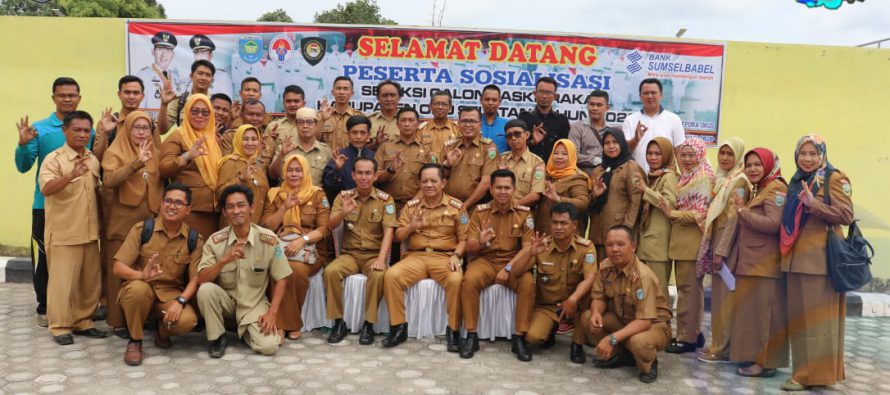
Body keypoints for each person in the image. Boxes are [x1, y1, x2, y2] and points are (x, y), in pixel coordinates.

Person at [15, 77, 93, 327]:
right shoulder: (40, 128)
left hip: (79, 207)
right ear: (54, 98)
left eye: (72, 95)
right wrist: (23, 145)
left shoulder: (86, 128)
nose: (68, 99)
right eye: (62, 95)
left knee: (78, 260)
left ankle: (75, 309)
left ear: (79, 98)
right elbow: (23, 166)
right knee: (47, 259)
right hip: (46, 205)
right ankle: (45, 307)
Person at [778, 135, 853, 391]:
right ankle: (804, 371)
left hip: (820, 261)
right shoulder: (797, 180)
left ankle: (812, 375)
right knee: (800, 321)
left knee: (819, 322)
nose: (807, 158)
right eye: (803, 153)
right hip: (796, 259)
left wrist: (814, 205)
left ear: (822, 154)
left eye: (813, 153)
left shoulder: (834, 178)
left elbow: (846, 215)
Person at [715, 148, 789, 378]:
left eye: (758, 164)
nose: (753, 169)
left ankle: (764, 363)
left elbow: (772, 224)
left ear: (768, 165)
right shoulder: (763, 188)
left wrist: (742, 210)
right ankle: (754, 357)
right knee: (754, 315)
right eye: (749, 165)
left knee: (765, 317)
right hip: (754, 263)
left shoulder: (776, 189)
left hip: (764, 264)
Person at [196, 185, 292, 357]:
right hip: (227, 302)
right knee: (206, 290)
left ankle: (248, 331)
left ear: (252, 208)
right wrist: (225, 260)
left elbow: (282, 278)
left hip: (253, 305)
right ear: (224, 212)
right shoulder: (215, 241)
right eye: (230, 207)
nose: (236, 211)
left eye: (241, 205)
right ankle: (218, 337)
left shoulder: (268, 239)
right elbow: (202, 279)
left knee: (268, 347)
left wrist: (272, 314)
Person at [113, 183, 203, 365]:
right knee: (137, 290)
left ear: (188, 209)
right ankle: (135, 341)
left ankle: (161, 331)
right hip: (140, 289)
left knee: (188, 321)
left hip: (169, 296)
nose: (172, 206)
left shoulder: (193, 239)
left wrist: (181, 302)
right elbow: (118, 267)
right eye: (168, 201)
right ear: (161, 204)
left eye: (179, 203)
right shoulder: (143, 230)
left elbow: (195, 279)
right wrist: (141, 276)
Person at [38, 111, 107, 345]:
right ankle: (60, 326)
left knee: (89, 281)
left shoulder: (92, 159)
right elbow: (46, 189)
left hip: (89, 231)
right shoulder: (54, 159)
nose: (82, 134)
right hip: (64, 232)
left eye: (86, 130)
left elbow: (96, 194)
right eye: (76, 130)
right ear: (65, 131)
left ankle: (84, 322)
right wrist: (70, 175)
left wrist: (101, 223)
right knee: (62, 283)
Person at [382, 164, 466, 350]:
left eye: (433, 181)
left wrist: (456, 255)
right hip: (416, 257)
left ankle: (453, 331)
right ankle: (398, 327)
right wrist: (411, 226)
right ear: (419, 183)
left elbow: (464, 239)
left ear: (443, 183)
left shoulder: (456, 206)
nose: (428, 185)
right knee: (391, 276)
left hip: (445, 257)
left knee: (456, 279)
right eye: (424, 181)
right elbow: (398, 237)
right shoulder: (411, 207)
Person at [459, 169, 536, 360]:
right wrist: (482, 241)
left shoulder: (524, 214)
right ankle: (471, 334)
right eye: (499, 187)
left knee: (528, 284)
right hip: (486, 260)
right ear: (491, 190)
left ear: (514, 190)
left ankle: (519, 337)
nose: (503, 192)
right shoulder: (480, 212)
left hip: (514, 261)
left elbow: (527, 249)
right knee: (469, 280)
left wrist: (508, 268)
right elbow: (469, 246)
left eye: (507, 188)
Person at [100, 111, 163, 338]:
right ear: (127, 129)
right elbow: (108, 180)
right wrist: (135, 164)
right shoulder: (116, 151)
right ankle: (118, 322)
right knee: (119, 269)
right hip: (122, 221)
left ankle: (141, 317)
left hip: (148, 221)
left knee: (143, 268)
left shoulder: (155, 151)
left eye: (145, 128)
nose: (141, 132)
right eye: (136, 127)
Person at [583, 225, 673, 383]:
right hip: (624, 319)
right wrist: (596, 312)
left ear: (633, 246)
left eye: (620, 244)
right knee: (588, 317)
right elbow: (599, 297)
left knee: (637, 341)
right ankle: (621, 355)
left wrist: (612, 338)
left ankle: (649, 362)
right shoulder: (605, 266)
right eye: (610, 245)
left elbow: (645, 321)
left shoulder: (643, 276)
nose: (614, 249)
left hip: (653, 325)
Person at [512, 203, 597, 363]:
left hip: (575, 304)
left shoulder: (586, 247)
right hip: (548, 306)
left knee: (591, 293)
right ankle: (549, 330)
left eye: (563, 223)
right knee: (532, 337)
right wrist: (528, 254)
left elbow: (590, 278)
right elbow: (515, 273)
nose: (558, 227)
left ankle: (577, 344)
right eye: (554, 222)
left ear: (574, 225)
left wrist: (572, 300)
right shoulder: (541, 245)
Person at [324, 157, 396, 345]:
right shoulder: (343, 197)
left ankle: (369, 324)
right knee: (330, 272)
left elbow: (389, 231)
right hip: (350, 255)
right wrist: (343, 212)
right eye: (360, 173)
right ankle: (338, 322)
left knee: (379, 274)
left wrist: (381, 259)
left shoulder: (385, 200)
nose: (364, 177)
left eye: (368, 173)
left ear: (375, 176)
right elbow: (331, 225)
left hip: (373, 255)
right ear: (353, 175)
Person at [261, 154, 331, 341]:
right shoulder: (274, 194)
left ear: (305, 172)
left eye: (298, 170)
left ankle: (282, 324)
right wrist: (284, 207)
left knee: (296, 270)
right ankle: (289, 324)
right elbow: (268, 226)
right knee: (279, 269)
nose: (294, 174)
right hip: (280, 246)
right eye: (290, 170)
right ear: (284, 172)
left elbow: (324, 228)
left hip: (310, 250)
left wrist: (302, 240)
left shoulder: (317, 194)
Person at [696, 137, 749, 363]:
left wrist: (720, 252)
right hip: (718, 242)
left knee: (725, 300)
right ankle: (718, 344)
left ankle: (722, 348)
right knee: (719, 299)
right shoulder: (723, 179)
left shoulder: (739, 181)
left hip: (727, 247)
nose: (725, 158)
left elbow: (733, 220)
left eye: (730, 154)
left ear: (738, 156)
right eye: (722, 153)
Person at [662, 138, 715, 354]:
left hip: (692, 243)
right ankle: (695, 333)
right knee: (691, 291)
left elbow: (699, 214)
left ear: (700, 154)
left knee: (688, 292)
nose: (686, 159)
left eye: (691, 154)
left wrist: (671, 213)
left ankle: (687, 339)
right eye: (683, 154)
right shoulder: (687, 176)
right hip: (683, 242)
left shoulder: (702, 178)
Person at [159, 94, 223, 239]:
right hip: (190, 209)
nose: (200, 116)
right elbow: (164, 169)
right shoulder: (177, 136)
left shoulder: (213, 138)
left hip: (215, 208)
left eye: (205, 112)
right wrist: (187, 156)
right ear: (187, 112)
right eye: (194, 111)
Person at [634, 137, 678, 305]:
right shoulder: (652, 177)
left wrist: (646, 190)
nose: (652, 157)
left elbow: (669, 204)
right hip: (645, 242)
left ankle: (663, 326)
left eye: (658, 154)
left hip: (658, 245)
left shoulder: (668, 177)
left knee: (658, 290)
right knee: (644, 288)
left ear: (666, 155)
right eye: (649, 153)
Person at [588, 129, 645, 260]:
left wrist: (625, 232)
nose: (611, 146)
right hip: (598, 232)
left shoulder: (631, 167)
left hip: (620, 232)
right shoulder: (599, 170)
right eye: (607, 143)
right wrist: (595, 195)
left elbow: (636, 203)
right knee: (600, 273)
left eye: (615, 142)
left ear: (622, 144)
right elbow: (590, 204)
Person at [375, 108, 435, 211]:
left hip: (417, 205)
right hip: (387, 204)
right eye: (403, 120)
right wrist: (391, 170)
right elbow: (375, 178)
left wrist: (412, 204)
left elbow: (430, 182)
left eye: (411, 120)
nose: (407, 124)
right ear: (397, 124)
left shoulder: (426, 150)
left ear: (417, 124)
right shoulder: (385, 147)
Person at [622, 78, 686, 173]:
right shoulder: (630, 120)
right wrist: (636, 139)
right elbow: (624, 152)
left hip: (664, 178)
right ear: (640, 96)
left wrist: (684, 180)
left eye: (653, 92)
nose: (650, 96)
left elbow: (679, 152)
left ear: (661, 95)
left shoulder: (674, 119)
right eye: (646, 93)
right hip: (636, 177)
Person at [478, 119, 545, 207]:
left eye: (517, 134)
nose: (513, 138)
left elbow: (535, 195)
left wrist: (511, 207)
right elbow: (489, 186)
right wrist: (498, 173)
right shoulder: (500, 159)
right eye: (509, 135)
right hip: (498, 211)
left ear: (527, 135)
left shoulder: (537, 162)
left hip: (523, 213)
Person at [443, 107, 498, 209]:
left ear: (480, 125)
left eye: (472, 121)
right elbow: (440, 178)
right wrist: (447, 165)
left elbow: (486, 183)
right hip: (448, 205)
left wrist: (465, 205)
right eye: (464, 121)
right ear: (458, 124)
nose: (468, 125)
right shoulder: (450, 146)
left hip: (474, 207)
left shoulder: (489, 148)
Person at [217, 125, 270, 226]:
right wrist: (240, 179)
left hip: (255, 225)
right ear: (237, 140)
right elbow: (220, 193)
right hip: (234, 225)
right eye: (245, 139)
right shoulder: (230, 163)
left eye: (254, 139)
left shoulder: (257, 164)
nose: (250, 143)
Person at [91, 75, 152, 160]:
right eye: (127, 92)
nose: (131, 96)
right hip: (113, 172)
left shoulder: (150, 123)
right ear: (119, 94)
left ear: (142, 96)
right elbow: (97, 158)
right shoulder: (106, 123)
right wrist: (105, 133)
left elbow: (157, 155)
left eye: (136, 93)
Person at [537, 139, 590, 236]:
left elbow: (583, 203)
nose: (559, 157)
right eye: (556, 153)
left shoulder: (577, 178)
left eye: (565, 154)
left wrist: (558, 199)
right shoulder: (547, 175)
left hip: (567, 238)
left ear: (572, 156)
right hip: (544, 235)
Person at [271, 107, 332, 186]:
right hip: (288, 197)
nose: (305, 126)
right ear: (296, 125)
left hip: (315, 197)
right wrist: (282, 155)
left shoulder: (325, 150)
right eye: (301, 122)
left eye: (309, 122)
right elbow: (274, 175)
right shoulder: (285, 147)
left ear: (316, 125)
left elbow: (330, 181)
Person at [322, 115, 376, 202]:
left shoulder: (375, 156)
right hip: (343, 205)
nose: (358, 137)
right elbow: (328, 185)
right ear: (347, 134)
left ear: (369, 135)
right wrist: (337, 169)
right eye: (354, 132)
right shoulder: (339, 155)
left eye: (362, 133)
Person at [158, 60, 216, 136]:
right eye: (200, 73)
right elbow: (162, 130)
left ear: (212, 80)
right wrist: (164, 105)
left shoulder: (216, 102)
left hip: (210, 145)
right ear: (191, 76)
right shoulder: (179, 101)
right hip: (184, 146)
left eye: (208, 75)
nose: (204, 78)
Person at [519, 77, 570, 164]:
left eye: (549, 93)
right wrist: (533, 142)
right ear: (534, 93)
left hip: (554, 169)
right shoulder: (524, 118)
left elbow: (567, 148)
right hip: (528, 166)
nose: (545, 96)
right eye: (541, 92)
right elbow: (516, 144)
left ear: (555, 96)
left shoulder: (562, 120)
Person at [220, 99, 275, 170]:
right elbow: (227, 165)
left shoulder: (269, 141)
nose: (255, 118)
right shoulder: (230, 136)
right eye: (250, 114)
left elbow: (271, 172)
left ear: (264, 117)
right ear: (241, 115)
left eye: (259, 115)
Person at [136, 31, 182, 109]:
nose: (164, 55)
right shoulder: (143, 75)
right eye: (160, 49)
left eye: (168, 50)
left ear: (173, 55)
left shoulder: (175, 77)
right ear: (153, 51)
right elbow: (139, 107)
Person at [569, 90, 608, 175]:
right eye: (592, 104)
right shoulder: (577, 128)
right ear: (587, 105)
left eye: (599, 105)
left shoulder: (612, 131)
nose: (594, 108)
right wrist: (594, 160)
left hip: (607, 176)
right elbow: (572, 155)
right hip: (581, 176)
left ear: (607, 108)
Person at [321, 76, 364, 151]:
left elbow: (364, 144)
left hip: (351, 160)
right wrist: (322, 120)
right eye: (338, 88)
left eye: (345, 89)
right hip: (326, 160)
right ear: (333, 92)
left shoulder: (359, 117)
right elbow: (313, 139)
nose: (341, 92)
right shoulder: (321, 115)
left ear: (352, 93)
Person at [187, 34, 233, 99]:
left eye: (203, 52)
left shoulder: (222, 77)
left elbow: (226, 103)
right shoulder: (190, 79)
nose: (199, 56)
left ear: (211, 55)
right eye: (196, 53)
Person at [418, 90, 459, 157]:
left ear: (450, 107)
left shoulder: (457, 129)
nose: (440, 107)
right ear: (430, 106)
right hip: (428, 166)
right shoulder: (421, 129)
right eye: (436, 103)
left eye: (444, 104)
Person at [267, 85, 307, 151]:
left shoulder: (311, 127)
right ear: (283, 103)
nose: (292, 104)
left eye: (296, 101)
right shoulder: (272, 127)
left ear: (303, 103)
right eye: (288, 101)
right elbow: (265, 154)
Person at [368, 80, 402, 149]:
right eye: (384, 95)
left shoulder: (407, 121)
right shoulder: (369, 121)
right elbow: (361, 149)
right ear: (378, 98)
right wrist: (375, 144)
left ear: (399, 97)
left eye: (392, 95)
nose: (389, 99)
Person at [479, 84, 509, 153]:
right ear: (481, 100)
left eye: (494, 100)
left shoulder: (507, 125)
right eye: (487, 99)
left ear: (500, 102)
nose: (490, 103)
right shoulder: (473, 124)